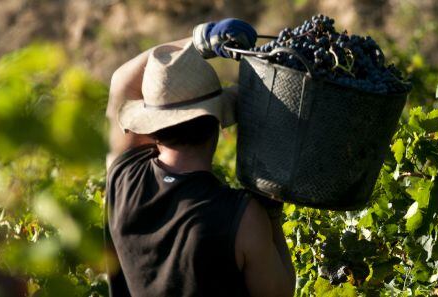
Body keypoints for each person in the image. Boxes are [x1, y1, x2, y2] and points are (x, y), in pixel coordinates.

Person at [104, 18, 295, 297]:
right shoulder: (243, 217)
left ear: (151, 128)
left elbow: (121, 81)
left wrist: (201, 40)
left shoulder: (124, 178)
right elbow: (280, 293)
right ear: (217, 124)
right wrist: (272, 215)